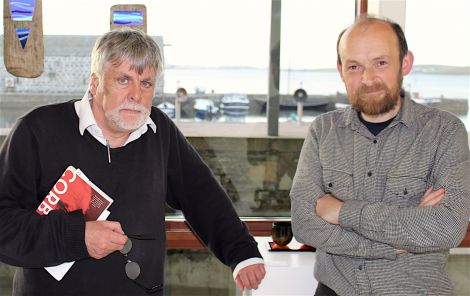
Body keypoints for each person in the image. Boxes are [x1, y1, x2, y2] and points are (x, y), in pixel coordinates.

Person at [0, 28, 265, 296]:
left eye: (146, 83)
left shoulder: (159, 131)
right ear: (95, 83)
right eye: (124, 80)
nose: (136, 95)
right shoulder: (37, 131)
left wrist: (241, 252)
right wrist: (77, 237)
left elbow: (201, 194)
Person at [290, 16, 470, 296]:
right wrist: (396, 242)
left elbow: (446, 228)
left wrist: (341, 212)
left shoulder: (445, 132)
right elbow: (304, 224)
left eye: (381, 63)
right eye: (354, 66)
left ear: (405, 63)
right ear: (340, 70)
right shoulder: (322, 131)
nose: (368, 78)